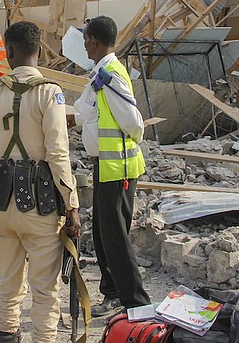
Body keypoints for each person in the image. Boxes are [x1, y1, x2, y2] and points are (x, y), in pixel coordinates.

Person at [0, 21, 80, 343]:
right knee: (45, 289)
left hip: (1, 204)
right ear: (39, 50)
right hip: (41, 207)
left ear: (8, 51)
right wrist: (72, 205)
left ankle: (7, 334)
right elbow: (58, 154)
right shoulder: (50, 93)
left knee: (8, 283)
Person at [68, 16, 149, 316]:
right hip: (106, 165)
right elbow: (88, 111)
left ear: (95, 41)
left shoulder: (111, 74)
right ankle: (113, 292)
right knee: (104, 234)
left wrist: (133, 137)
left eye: (86, 39)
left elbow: (133, 122)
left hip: (120, 167)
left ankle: (137, 302)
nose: (84, 44)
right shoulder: (100, 72)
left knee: (115, 236)